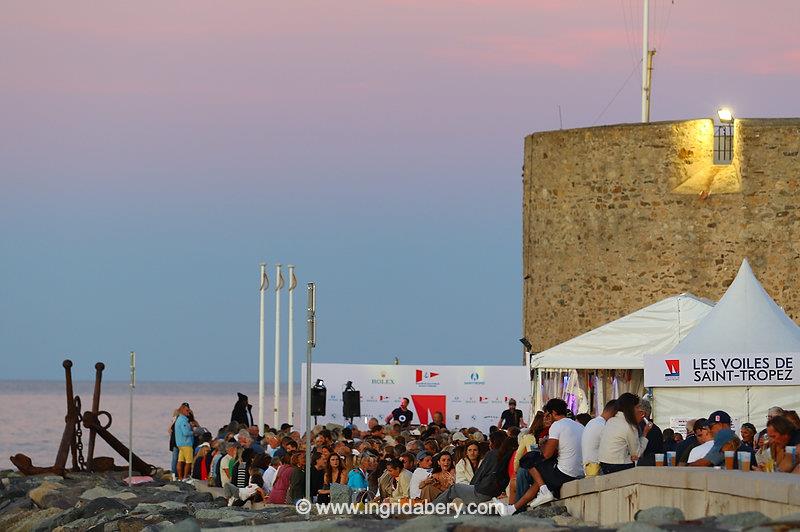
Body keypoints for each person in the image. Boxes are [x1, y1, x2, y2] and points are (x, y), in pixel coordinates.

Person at [505, 398, 583, 514]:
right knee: (539, 481)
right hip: (579, 472)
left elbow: (546, 454)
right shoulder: (579, 426)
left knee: (528, 458)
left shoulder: (557, 426)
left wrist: (542, 444)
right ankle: (513, 509)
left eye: (548, 414)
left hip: (564, 472)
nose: (547, 417)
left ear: (554, 413)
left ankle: (543, 491)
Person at [433, 430, 511, 505]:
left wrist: (471, 488)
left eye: (490, 442)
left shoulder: (492, 454)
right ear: (466, 452)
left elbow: (480, 474)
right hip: (492, 491)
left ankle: (430, 507)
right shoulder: (506, 455)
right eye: (470, 450)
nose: (489, 445)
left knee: (454, 489)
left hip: (483, 492)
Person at [598, 393, 651, 474]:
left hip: (603, 464)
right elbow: (637, 453)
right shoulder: (629, 426)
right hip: (618, 466)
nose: (638, 410)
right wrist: (645, 433)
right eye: (637, 407)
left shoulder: (610, 421)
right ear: (631, 408)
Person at [581, 400, 617, 476]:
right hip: (596, 468)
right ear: (614, 413)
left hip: (589, 467)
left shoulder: (593, 422)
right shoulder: (603, 426)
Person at [635, 398, 664, 466]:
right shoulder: (656, 429)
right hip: (654, 465)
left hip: (639, 466)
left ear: (642, 413)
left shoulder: (636, 427)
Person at [174, 402, 195, 482]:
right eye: (187, 410)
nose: (188, 412)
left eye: (189, 410)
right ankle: (185, 477)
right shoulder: (183, 421)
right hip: (186, 443)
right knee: (189, 461)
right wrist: (194, 432)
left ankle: (180, 477)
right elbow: (186, 433)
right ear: (182, 410)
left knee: (180, 460)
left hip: (180, 443)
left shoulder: (178, 419)